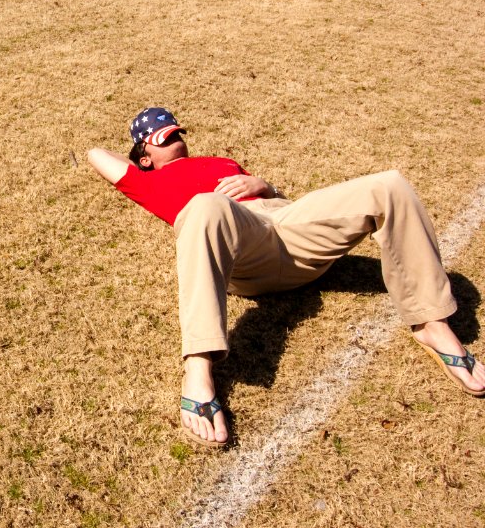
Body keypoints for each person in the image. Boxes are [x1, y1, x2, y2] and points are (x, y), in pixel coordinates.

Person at [87, 107, 485, 447]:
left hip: (287, 225)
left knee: (390, 185)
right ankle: (199, 368)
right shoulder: (148, 180)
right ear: (143, 155)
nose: (174, 136)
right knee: (205, 205)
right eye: (162, 135)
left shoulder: (223, 162)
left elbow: (288, 205)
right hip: (244, 247)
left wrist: (265, 185)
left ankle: (432, 322)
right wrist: (141, 150)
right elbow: (96, 154)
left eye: (175, 130)